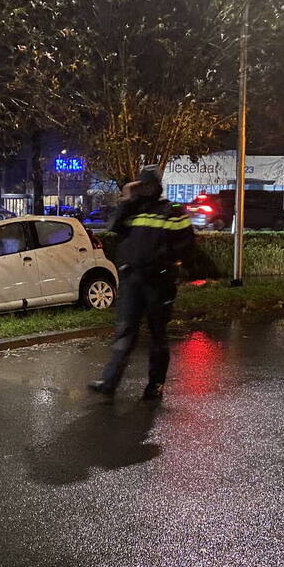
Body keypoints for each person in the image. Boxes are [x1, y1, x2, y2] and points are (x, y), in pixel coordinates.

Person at [89, 165, 195, 400]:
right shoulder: (134, 208)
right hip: (133, 280)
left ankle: (155, 385)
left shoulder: (172, 210)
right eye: (142, 184)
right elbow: (114, 226)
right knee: (125, 331)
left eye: (148, 184)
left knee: (158, 334)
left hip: (159, 282)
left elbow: (187, 245)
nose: (145, 188)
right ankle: (109, 382)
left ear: (156, 186)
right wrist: (127, 199)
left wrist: (165, 263)